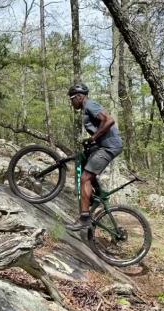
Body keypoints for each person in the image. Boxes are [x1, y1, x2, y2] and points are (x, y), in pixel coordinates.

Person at [66, 83, 123, 231]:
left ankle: (84, 218)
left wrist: (94, 137)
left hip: (109, 147)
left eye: (72, 99)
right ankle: (93, 195)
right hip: (104, 145)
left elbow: (109, 120)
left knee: (85, 178)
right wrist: (91, 141)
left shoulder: (90, 105)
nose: (71, 102)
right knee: (86, 160)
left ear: (79, 97)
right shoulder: (87, 108)